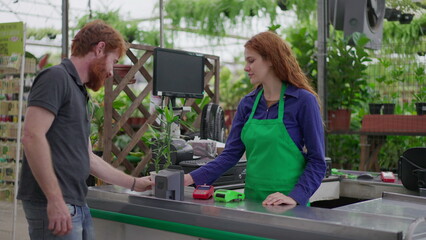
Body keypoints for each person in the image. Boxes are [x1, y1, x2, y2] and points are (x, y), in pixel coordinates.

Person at [17, 20, 154, 240]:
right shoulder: (55, 77)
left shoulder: (79, 91)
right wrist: (55, 199)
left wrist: (135, 184)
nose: (111, 72)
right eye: (113, 60)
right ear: (99, 48)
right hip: (54, 203)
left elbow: (88, 157)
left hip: (77, 203)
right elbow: (32, 136)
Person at [184, 31, 326, 206]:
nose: (246, 67)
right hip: (252, 200)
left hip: (288, 204)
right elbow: (230, 155)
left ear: (271, 59)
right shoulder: (247, 103)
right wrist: (188, 178)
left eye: (251, 61)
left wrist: (295, 197)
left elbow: (318, 162)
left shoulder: (303, 101)